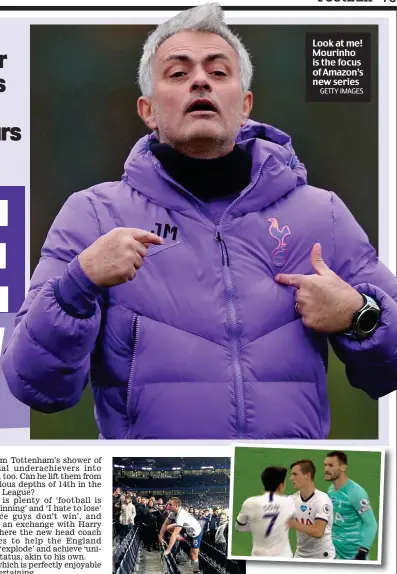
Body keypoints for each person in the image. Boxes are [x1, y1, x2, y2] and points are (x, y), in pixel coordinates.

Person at [2, 3, 397, 441]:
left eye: (219, 71)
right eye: (177, 73)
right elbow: (32, 383)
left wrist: (360, 315)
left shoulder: (320, 213)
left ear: (244, 105)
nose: (200, 80)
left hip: (285, 495)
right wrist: (79, 282)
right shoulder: (93, 214)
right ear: (148, 110)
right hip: (156, 494)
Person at [324, 451, 378, 560]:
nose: (326, 469)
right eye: (325, 465)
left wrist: (363, 551)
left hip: (354, 555)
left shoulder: (356, 493)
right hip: (335, 553)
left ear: (343, 468)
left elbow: (371, 523)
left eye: (331, 465)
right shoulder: (330, 490)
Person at [235, 466, 295, 557]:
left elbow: (238, 527)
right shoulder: (289, 502)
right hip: (284, 558)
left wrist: (258, 524)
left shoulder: (249, 502)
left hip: (258, 559)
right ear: (281, 486)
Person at [288, 459, 335, 559]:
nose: (291, 478)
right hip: (300, 556)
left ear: (307, 476)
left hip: (323, 557)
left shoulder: (322, 500)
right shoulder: (291, 499)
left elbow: (318, 532)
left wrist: (294, 524)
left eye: (295, 474)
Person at [159, 497, 203, 573]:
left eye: (170, 504)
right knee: (169, 527)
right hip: (186, 528)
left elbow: (175, 534)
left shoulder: (181, 515)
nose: (168, 506)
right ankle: (182, 538)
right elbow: (165, 525)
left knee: (193, 555)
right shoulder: (173, 512)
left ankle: (196, 571)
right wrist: (160, 536)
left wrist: (168, 550)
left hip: (196, 533)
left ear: (176, 505)